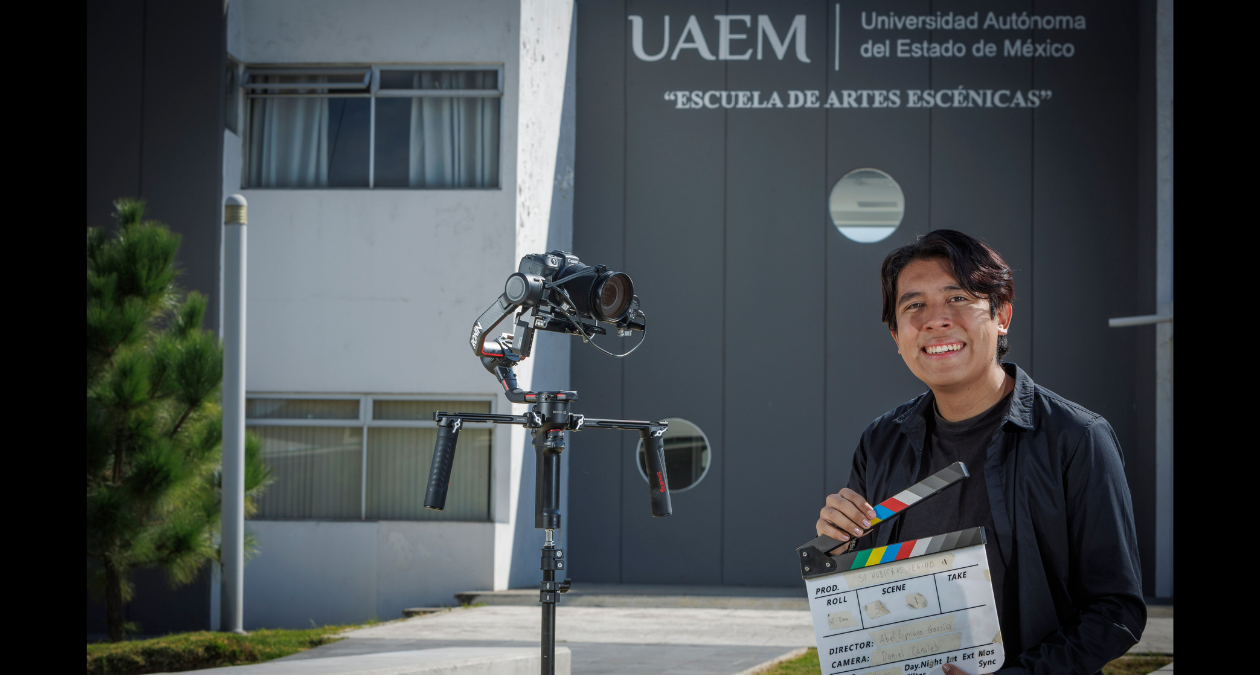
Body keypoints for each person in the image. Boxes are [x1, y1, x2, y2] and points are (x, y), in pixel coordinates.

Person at [815, 230, 1145, 675]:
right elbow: (864, 597)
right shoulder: (880, 441)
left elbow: (1116, 612)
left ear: (1001, 315)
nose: (935, 320)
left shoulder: (1077, 438)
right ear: (896, 335)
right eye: (913, 306)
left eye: (957, 298)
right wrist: (835, 549)